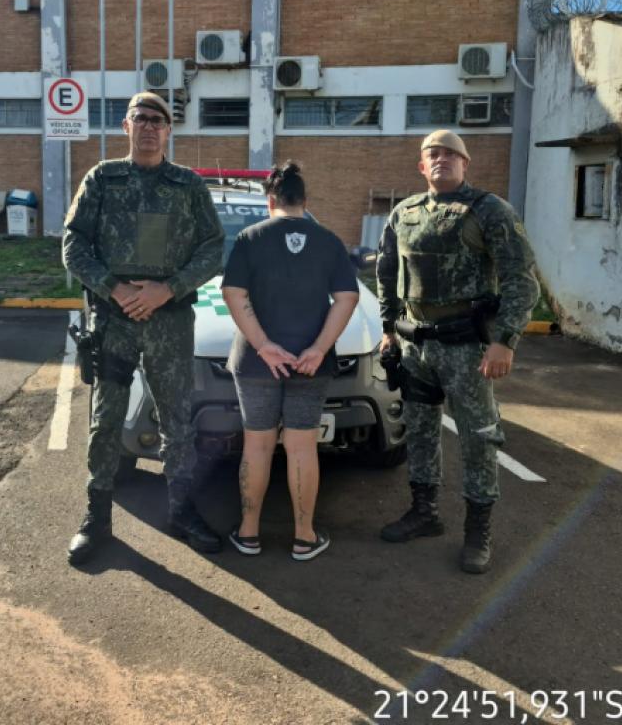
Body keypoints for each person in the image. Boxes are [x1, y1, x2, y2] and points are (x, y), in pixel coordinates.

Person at [62, 91, 226, 565]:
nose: (150, 126)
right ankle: (97, 518)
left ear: (169, 130)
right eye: (141, 118)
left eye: (158, 120)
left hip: (169, 322)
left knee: (177, 421)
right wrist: (115, 290)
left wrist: (166, 290)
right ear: (126, 126)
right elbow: (74, 245)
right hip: (114, 321)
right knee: (106, 420)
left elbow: (213, 248)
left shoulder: (188, 185)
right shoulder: (102, 179)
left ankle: (181, 511)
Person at [375, 130, 539, 574]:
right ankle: (424, 512)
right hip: (416, 344)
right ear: (421, 166)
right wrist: (389, 329)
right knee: (420, 430)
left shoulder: (488, 210)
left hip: (467, 347)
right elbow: (387, 272)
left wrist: (505, 340)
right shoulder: (404, 213)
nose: (442, 159)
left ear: (466, 163)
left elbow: (521, 279)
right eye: (433, 154)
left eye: (452, 154)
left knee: (479, 437)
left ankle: (477, 530)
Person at [221, 161, 359, 561]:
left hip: (256, 363)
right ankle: (304, 537)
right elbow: (347, 297)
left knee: (257, 445)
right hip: (308, 364)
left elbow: (233, 294)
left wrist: (264, 345)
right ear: (305, 201)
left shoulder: (249, 238)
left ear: (270, 201)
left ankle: (248, 533)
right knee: (301, 447)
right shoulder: (328, 240)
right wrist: (318, 348)